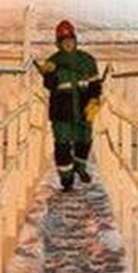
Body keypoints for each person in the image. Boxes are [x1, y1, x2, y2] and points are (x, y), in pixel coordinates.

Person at [37, 19, 102, 191]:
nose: (68, 43)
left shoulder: (87, 60)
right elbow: (49, 86)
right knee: (62, 145)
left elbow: (95, 84)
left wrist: (94, 100)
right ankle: (66, 180)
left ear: (75, 40)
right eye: (64, 40)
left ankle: (80, 167)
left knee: (84, 140)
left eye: (70, 40)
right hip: (61, 111)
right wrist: (48, 74)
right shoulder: (53, 61)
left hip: (83, 107)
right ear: (58, 42)